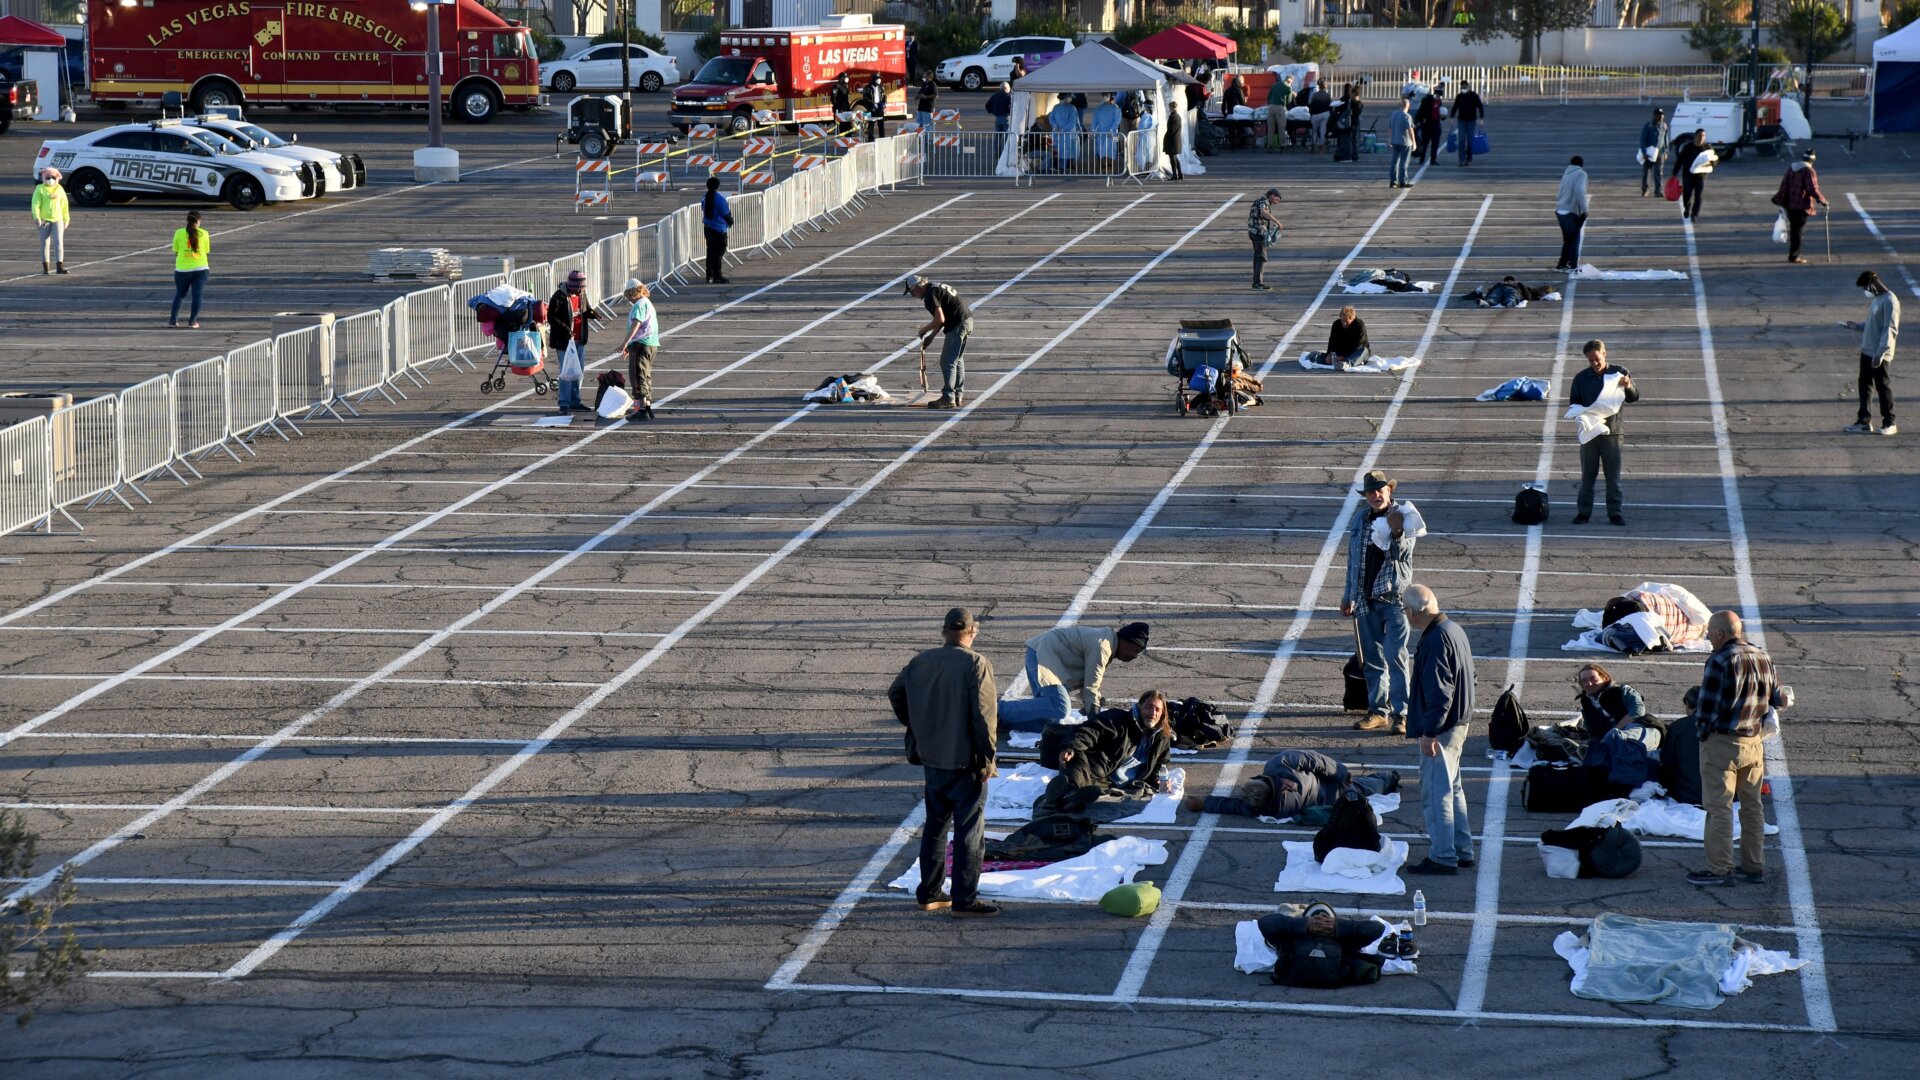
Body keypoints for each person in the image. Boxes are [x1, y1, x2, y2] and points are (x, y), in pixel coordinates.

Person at [887, 607, 1001, 918]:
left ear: (944, 631)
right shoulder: (976, 664)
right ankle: (965, 898)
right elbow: (983, 716)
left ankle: (930, 892)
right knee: (968, 833)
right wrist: (988, 759)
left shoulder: (921, 661)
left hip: (932, 759)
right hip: (965, 762)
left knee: (935, 827)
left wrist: (918, 724)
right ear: (972, 632)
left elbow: (896, 692)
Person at [1686, 611, 1785, 887]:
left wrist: (1702, 734)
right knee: (1753, 807)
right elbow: (1779, 698)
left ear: (1720, 634)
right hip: (1754, 742)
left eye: (1709, 634)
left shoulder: (1719, 660)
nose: (1707, 638)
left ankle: (1720, 869)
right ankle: (1754, 867)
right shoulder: (1763, 656)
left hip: (1722, 743)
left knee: (1719, 808)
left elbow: (1706, 707)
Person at [1402, 584, 1475, 875]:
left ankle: (1443, 856)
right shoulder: (1453, 629)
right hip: (1459, 723)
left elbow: (1440, 693)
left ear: (1412, 611)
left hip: (1442, 728)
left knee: (1436, 795)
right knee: (1453, 789)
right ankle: (1461, 849)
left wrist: (1429, 732)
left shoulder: (1434, 640)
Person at [1342, 470, 1415, 733]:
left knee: (1396, 656)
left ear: (1389, 491)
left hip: (1394, 599)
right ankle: (1378, 712)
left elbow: (1403, 556)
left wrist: (1396, 530)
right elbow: (1353, 560)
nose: (1375, 495)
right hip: (1364, 598)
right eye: (1371, 492)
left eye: (1380, 490)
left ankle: (1403, 715)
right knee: (1372, 659)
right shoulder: (1360, 520)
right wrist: (1347, 594)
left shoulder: (1403, 517)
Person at [1032, 690, 1173, 815]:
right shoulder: (1117, 719)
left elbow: (1161, 763)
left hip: (1112, 784)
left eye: (1157, 710)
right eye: (1149, 707)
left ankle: (1066, 800)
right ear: (1140, 706)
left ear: (1162, 714)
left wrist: (1157, 778)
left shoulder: (1162, 738)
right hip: (1095, 770)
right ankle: (1060, 798)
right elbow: (1088, 731)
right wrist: (1070, 747)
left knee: (1091, 790)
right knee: (1077, 758)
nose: (1152, 713)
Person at [998, 622, 1151, 731]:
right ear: (1125, 641)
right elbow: (1092, 685)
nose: (1134, 655)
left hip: (1046, 658)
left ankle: (999, 722)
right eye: (1135, 649)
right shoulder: (1103, 646)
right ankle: (994, 710)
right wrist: (1094, 723)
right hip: (1042, 655)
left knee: (1049, 723)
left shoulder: (1109, 645)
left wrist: (1092, 705)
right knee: (1060, 706)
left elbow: (1089, 684)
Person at [1187, 750, 1398, 819]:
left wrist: (1205, 803)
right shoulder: (1278, 765)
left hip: (1333, 802)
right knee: (1366, 785)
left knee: (1364, 788)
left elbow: (1232, 807)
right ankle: (1392, 778)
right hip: (1336, 789)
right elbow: (1315, 760)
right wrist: (1341, 773)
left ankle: (1387, 779)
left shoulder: (1270, 809)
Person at [1568, 339, 1638, 525]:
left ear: (1605, 354)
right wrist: (1584, 415)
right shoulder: (1581, 378)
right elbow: (1574, 403)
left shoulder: (1620, 373)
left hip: (1613, 434)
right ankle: (1584, 513)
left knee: (1613, 479)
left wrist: (1628, 385)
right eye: (1590, 360)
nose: (1595, 364)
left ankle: (1615, 513)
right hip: (1590, 434)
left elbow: (1634, 397)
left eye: (1597, 359)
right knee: (1587, 478)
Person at [1256, 901, 1386, 988]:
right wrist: (1339, 926)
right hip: (1335, 975)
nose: (1320, 923)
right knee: (1286, 909)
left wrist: (1303, 925)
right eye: (1317, 921)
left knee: (1285, 910)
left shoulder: (1290, 940)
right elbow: (1376, 929)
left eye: (1325, 921)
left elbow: (1266, 923)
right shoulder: (1346, 941)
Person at [906, 274, 973, 408]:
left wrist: (923, 330)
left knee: (947, 362)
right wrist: (931, 337)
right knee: (957, 360)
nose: (913, 295)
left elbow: (940, 319)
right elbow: (942, 319)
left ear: (917, 287)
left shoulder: (930, 295)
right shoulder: (934, 288)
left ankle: (948, 397)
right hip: (966, 321)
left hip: (958, 325)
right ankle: (958, 395)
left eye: (911, 292)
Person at [1845, 270, 1899, 435]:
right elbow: (1873, 324)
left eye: (1865, 288)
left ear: (1872, 284)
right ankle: (1864, 421)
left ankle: (1890, 422)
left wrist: (1881, 353)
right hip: (1867, 351)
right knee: (1865, 386)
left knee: (1883, 387)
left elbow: (1889, 329)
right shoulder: (1878, 300)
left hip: (1878, 353)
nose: (1865, 292)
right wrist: (1857, 326)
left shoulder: (1890, 301)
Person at [546, 269, 603, 414]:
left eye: (582, 288)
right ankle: (564, 403)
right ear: (573, 286)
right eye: (579, 288)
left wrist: (593, 314)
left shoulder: (582, 295)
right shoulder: (558, 297)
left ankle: (575, 401)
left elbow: (585, 310)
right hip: (564, 342)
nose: (580, 291)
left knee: (578, 373)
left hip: (579, 340)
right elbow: (551, 317)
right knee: (566, 373)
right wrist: (566, 329)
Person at [1771, 149, 1828, 265]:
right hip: (1801, 205)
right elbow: (1812, 189)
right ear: (1812, 160)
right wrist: (1822, 200)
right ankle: (1794, 256)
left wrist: (1781, 200)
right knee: (1797, 231)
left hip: (1790, 203)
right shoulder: (1809, 171)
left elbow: (1784, 184)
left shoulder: (1792, 168)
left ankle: (1793, 254)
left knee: (1794, 230)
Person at [1574, 663, 1647, 739]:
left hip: (1636, 730)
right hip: (1608, 738)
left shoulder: (1622, 691)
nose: (1589, 683)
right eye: (1584, 681)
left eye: (1593, 678)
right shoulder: (1586, 703)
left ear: (1605, 678)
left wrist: (1614, 731)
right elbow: (1591, 728)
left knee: (1627, 739)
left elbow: (1638, 711)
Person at [620, 277, 659, 420]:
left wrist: (625, 343)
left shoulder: (639, 305)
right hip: (651, 343)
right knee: (645, 375)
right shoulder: (648, 303)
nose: (629, 299)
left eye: (629, 296)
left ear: (632, 293)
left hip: (641, 344)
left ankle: (642, 409)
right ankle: (647, 407)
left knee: (637, 376)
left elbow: (636, 323)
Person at [169, 209, 210, 329]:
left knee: (180, 294)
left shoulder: (179, 232)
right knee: (197, 295)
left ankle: (173, 321)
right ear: (198, 221)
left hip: (182, 269)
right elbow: (206, 251)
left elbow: (175, 250)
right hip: (200, 268)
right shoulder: (204, 233)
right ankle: (192, 322)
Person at [32, 168, 69, 276]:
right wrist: (36, 217)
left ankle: (59, 266)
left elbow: (64, 205)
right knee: (45, 243)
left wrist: (66, 218)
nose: (50, 180)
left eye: (53, 177)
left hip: (58, 220)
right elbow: (35, 204)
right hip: (44, 220)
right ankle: (46, 267)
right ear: (44, 178)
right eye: (48, 177)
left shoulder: (60, 189)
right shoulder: (40, 189)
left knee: (58, 242)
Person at [1555, 155, 1589, 272]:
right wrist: (1584, 209)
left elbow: (1559, 192)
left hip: (1560, 210)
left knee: (1568, 239)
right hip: (1571, 210)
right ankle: (1573, 265)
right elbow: (1580, 191)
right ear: (1581, 164)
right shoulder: (1581, 174)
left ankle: (1562, 263)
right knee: (1574, 238)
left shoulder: (1566, 174)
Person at [1247, 188, 1283, 292]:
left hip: (1253, 231)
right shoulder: (1263, 200)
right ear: (1272, 195)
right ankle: (1258, 283)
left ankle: (1256, 281)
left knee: (1257, 256)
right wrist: (1277, 222)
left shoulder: (1261, 200)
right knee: (1262, 257)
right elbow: (1264, 212)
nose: (1277, 201)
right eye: (1277, 198)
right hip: (1258, 232)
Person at [700, 177, 732, 285]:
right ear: (718, 186)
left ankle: (709, 275)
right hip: (719, 229)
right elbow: (726, 214)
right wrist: (731, 221)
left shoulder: (705, 197)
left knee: (710, 251)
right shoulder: (719, 199)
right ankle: (717, 276)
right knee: (718, 253)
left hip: (708, 227)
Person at [1673, 129, 1710, 221]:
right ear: (1695, 136)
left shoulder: (1707, 148)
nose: (1701, 138)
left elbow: (1714, 159)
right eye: (1700, 136)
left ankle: (1694, 214)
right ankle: (1687, 207)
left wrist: (1711, 163)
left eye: (1703, 136)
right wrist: (1674, 173)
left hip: (1700, 176)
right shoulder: (1688, 147)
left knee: (1698, 195)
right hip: (1688, 175)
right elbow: (1680, 160)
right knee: (1687, 193)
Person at [1451, 81, 1485, 166]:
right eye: (1462, 87)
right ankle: (1461, 160)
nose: (1463, 89)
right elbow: (1455, 106)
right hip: (1461, 120)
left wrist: (1481, 118)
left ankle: (1469, 159)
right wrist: (1451, 117)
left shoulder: (1474, 96)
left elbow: (1480, 106)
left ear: (1469, 87)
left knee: (1470, 140)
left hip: (1471, 121)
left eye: (1465, 87)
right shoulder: (1459, 96)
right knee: (1461, 140)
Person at [1387, 94, 1416, 188]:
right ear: (1408, 106)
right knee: (1404, 163)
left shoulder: (1394, 114)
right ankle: (1403, 181)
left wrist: (1390, 139)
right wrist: (1414, 143)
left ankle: (1393, 181)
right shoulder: (1407, 116)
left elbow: (1390, 128)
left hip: (1395, 141)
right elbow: (1410, 130)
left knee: (1394, 162)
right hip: (1405, 142)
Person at [1047, 93, 1081, 172]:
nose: (1071, 100)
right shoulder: (1072, 108)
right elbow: (1073, 122)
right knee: (1069, 150)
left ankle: (1056, 166)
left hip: (1057, 134)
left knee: (1057, 150)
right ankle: (1067, 166)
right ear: (1066, 97)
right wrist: (1064, 129)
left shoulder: (1055, 107)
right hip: (1069, 134)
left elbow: (1051, 118)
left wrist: (1055, 127)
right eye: (1070, 98)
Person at [1638, 107, 1668, 197]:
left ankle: (1658, 191)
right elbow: (1642, 139)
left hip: (1660, 152)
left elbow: (1666, 139)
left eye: (1662, 115)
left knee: (1659, 172)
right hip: (1649, 152)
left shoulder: (1664, 126)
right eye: (1659, 115)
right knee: (1647, 171)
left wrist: (1666, 151)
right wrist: (1644, 152)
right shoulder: (1648, 126)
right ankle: (1645, 189)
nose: (1661, 117)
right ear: (1654, 115)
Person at [1090, 92, 1122, 170]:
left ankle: (1110, 165)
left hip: (1113, 134)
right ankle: (1104, 166)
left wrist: (1111, 129)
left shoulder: (1115, 108)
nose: (1104, 97)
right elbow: (1095, 120)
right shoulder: (1099, 108)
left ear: (1109, 96)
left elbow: (1117, 121)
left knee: (1112, 149)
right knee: (1102, 150)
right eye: (1103, 96)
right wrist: (1093, 129)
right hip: (1102, 133)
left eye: (1106, 96)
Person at [1332, 83, 1362, 163]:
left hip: (1349, 123)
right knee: (1354, 140)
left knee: (1347, 141)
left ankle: (1347, 157)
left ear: (1353, 94)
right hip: (1355, 123)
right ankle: (1355, 156)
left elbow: (1352, 111)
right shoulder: (1358, 102)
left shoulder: (1351, 102)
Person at [1415, 90, 1443, 166]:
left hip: (1436, 123)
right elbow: (1420, 111)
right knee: (1425, 143)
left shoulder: (1439, 102)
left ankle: (1433, 159)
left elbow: (1439, 112)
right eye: (1438, 96)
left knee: (1435, 143)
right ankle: (1422, 158)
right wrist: (1417, 121)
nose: (1439, 98)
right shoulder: (1427, 101)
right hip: (1427, 124)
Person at [1221, 73, 1246, 150]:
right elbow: (1242, 102)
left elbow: (1223, 104)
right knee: (1242, 128)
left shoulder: (1227, 91)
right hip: (1238, 115)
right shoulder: (1239, 90)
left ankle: (1231, 143)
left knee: (1230, 129)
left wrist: (1224, 114)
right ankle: (1242, 144)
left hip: (1229, 115)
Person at [1309, 82, 1333, 153]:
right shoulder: (1328, 95)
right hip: (1325, 114)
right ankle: (1322, 148)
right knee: (1323, 131)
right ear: (1325, 87)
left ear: (1319, 87)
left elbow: (1311, 105)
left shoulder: (1314, 95)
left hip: (1316, 114)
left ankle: (1313, 146)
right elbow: (1330, 106)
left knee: (1313, 131)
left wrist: (1311, 113)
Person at [1162, 101, 1184, 181]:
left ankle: (1175, 174)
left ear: (1171, 107)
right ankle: (1180, 173)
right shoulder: (1177, 116)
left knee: (1172, 158)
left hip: (1172, 140)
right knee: (1175, 158)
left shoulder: (1173, 117)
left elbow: (1171, 130)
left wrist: (1166, 138)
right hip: (1176, 139)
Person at [862, 74, 886, 140]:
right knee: (871, 124)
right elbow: (865, 98)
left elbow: (884, 96)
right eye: (877, 79)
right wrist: (872, 104)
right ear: (874, 79)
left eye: (880, 79)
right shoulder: (867, 88)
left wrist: (884, 104)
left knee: (881, 124)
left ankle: (882, 139)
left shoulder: (881, 87)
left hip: (879, 107)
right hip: (871, 108)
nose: (879, 80)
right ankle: (871, 139)